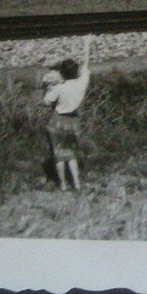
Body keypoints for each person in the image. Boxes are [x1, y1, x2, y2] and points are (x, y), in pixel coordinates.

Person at [41, 35, 93, 191]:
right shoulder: (81, 84)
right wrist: (86, 46)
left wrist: (50, 88)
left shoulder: (59, 88)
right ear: (76, 72)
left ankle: (63, 184)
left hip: (57, 121)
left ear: (62, 74)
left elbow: (46, 101)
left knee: (59, 155)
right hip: (73, 121)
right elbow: (85, 66)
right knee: (71, 155)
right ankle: (76, 183)